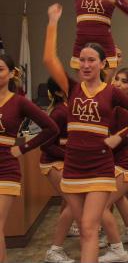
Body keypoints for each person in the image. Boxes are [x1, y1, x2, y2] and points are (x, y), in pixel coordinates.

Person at [43, 4, 128, 263]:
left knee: (90, 228)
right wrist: (53, 22)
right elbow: (49, 60)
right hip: (72, 168)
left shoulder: (111, 92)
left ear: (103, 64)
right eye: (82, 60)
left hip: (100, 168)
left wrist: (119, 136)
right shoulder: (72, 88)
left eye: (92, 60)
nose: (86, 64)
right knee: (84, 227)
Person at [0, 55, 58, 263]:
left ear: (11, 73)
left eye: (0, 69)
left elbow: (51, 128)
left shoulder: (19, 102)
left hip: (5, 169)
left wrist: (23, 148)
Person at [97, 68, 128, 262]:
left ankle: (117, 249)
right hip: (127, 159)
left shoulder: (123, 108)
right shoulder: (125, 104)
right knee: (118, 198)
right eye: (116, 79)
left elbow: (116, 139)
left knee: (101, 206)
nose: (117, 83)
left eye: (124, 81)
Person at [40, 78, 75, 263]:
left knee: (68, 199)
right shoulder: (60, 112)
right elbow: (46, 145)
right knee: (74, 201)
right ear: (60, 92)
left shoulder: (68, 108)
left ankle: (66, 229)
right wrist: (69, 155)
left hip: (61, 161)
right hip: (53, 163)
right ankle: (54, 250)